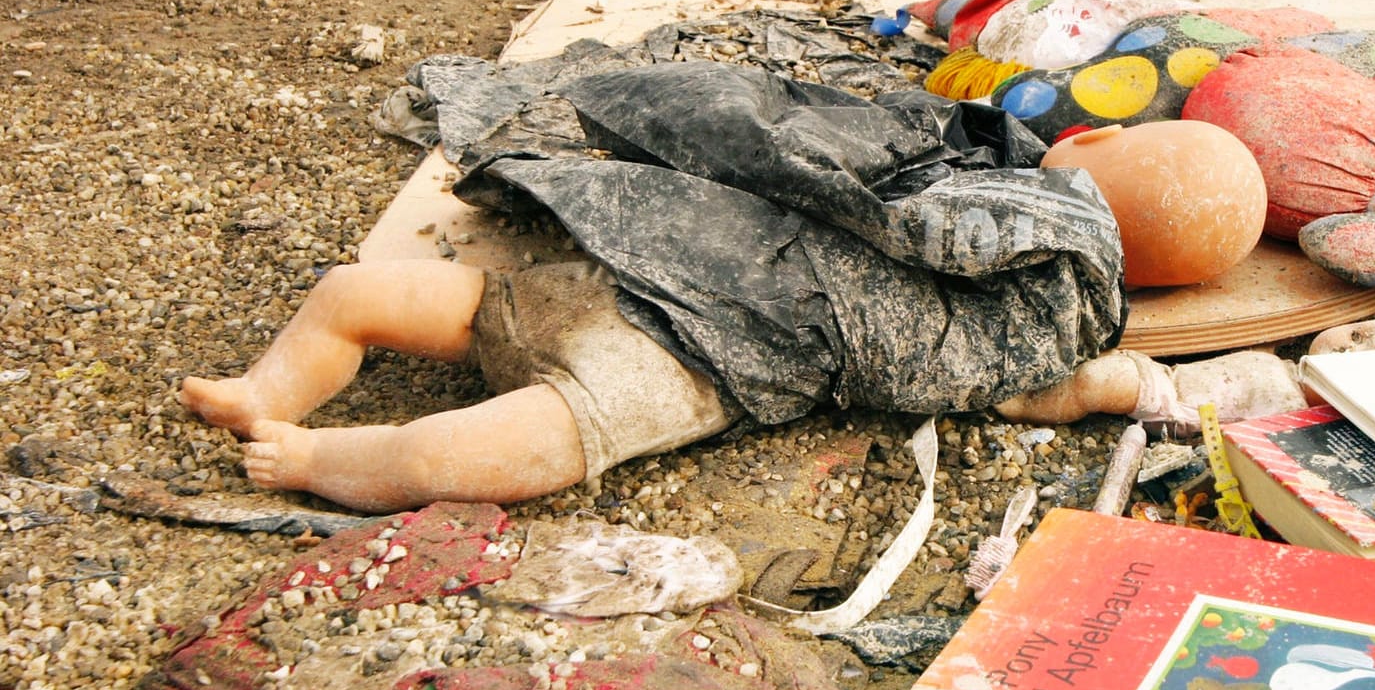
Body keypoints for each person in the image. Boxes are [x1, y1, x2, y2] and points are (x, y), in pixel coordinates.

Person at [180, 257, 1298, 514]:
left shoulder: (967, 341)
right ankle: (264, 388)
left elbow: (1067, 383)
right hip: (577, 289)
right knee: (351, 288)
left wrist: (1138, 383)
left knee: (441, 457)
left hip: (648, 372)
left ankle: (323, 458)